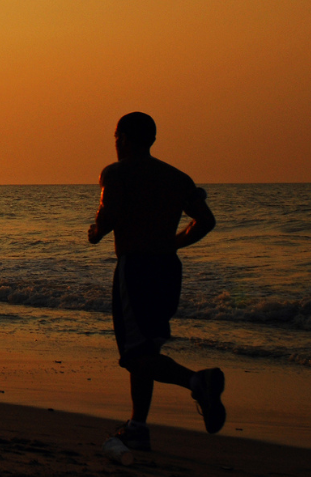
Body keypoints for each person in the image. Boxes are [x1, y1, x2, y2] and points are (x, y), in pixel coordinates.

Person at [87, 112, 222, 451]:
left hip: (136, 268)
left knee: (134, 356)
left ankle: (197, 381)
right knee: (146, 349)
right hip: (167, 268)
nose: (115, 144)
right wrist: (173, 243)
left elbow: (108, 216)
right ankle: (137, 427)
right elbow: (205, 221)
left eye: (116, 137)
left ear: (125, 139)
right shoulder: (178, 177)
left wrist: (95, 232)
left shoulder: (116, 173)